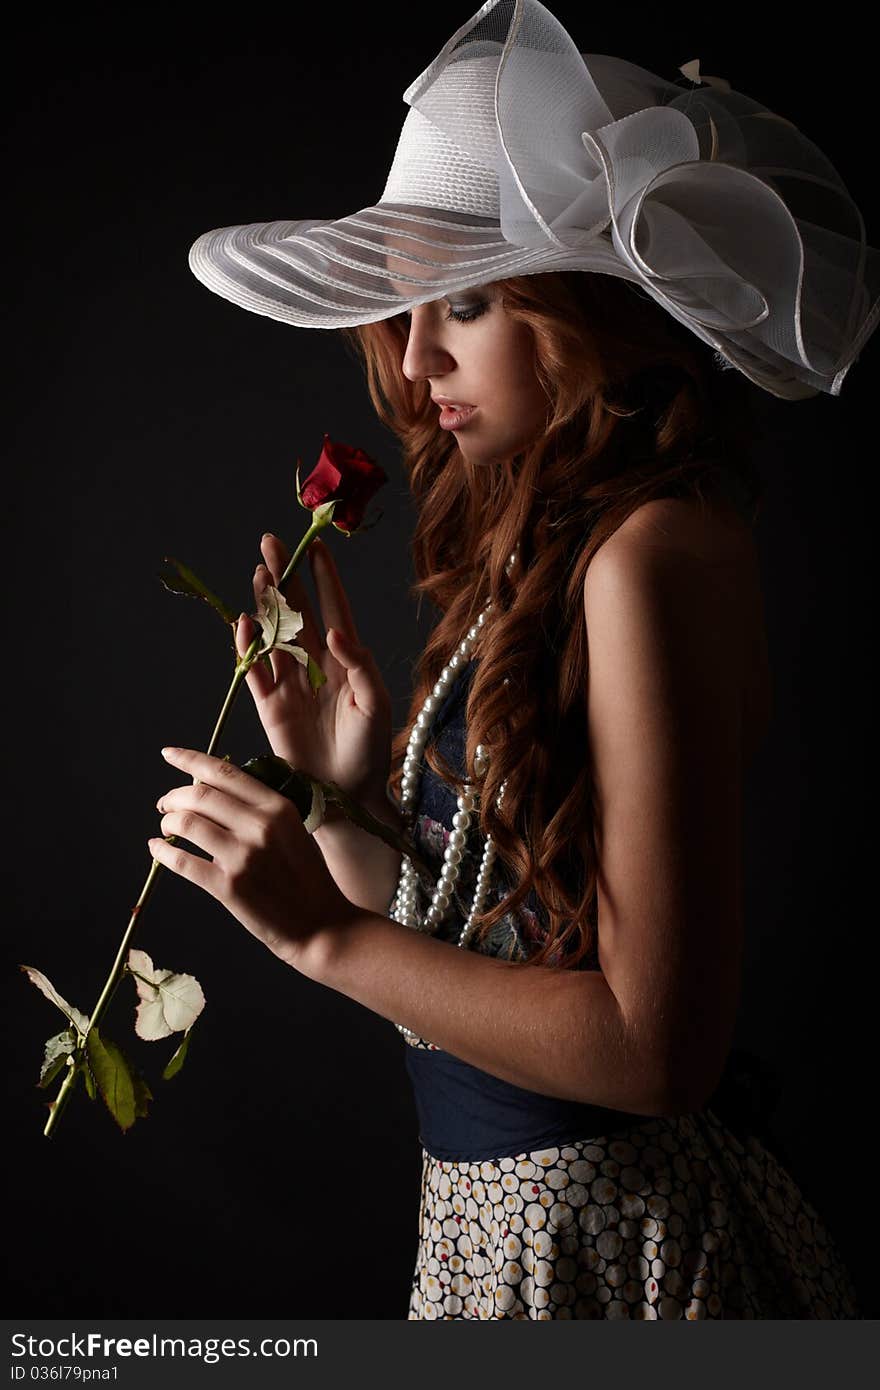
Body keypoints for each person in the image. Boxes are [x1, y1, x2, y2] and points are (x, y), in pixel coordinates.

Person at [151, 2, 876, 1318]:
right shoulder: (552, 543)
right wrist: (346, 796)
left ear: (589, 302)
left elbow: (659, 1050)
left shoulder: (649, 555)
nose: (418, 357)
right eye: (415, 308)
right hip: (496, 1243)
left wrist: (319, 932)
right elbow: (484, 958)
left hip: (621, 1255)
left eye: (466, 303)